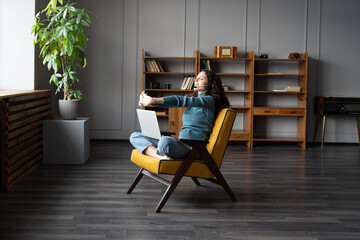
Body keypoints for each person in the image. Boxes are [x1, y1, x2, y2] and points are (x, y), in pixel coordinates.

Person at [129, 69, 230, 159]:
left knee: (165, 141)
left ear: (210, 84)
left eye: (201, 78)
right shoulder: (195, 102)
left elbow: (180, 100)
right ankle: (160, 157)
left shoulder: (209, 101)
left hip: (193, 149)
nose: (196, 80)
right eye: (196, 78)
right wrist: (150, 101)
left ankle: (160, 151)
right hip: (180, 144)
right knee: (135, 136)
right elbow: (174, 103)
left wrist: (153, 100)